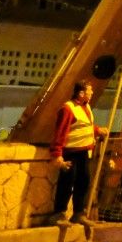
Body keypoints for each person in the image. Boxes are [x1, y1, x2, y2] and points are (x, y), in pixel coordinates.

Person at [49, 80, 106, 225]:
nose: (92, 93)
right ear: (81, 93)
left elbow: (85, 125)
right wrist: (57, 155)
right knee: (67, 182)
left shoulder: (85, 107)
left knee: (83, 181)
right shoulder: (68, 108)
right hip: (71, 152)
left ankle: (78, 213)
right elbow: (60, 132)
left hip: (83, 152)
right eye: (89, 90)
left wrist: (97, 130)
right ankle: (59, 213)